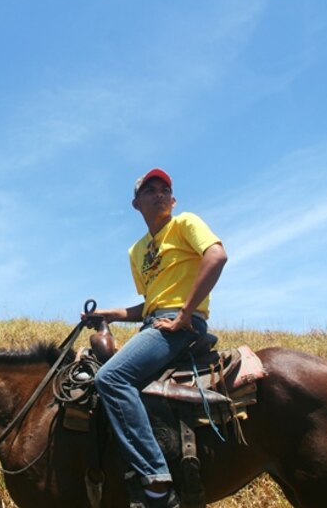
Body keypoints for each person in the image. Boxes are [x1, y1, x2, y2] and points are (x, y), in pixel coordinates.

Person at [88, 168, 227, 508]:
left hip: (180, 323)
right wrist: (109, 314)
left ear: (174, 199)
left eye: (165, 189)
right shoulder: (137, 251)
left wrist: (184, 314)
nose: (159, 193)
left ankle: (156, 482)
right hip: (156, 321)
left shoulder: (185, 224)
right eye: (150, 189)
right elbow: (150, 303)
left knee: (111, 378)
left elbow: (217, 255)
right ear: (136, 203)